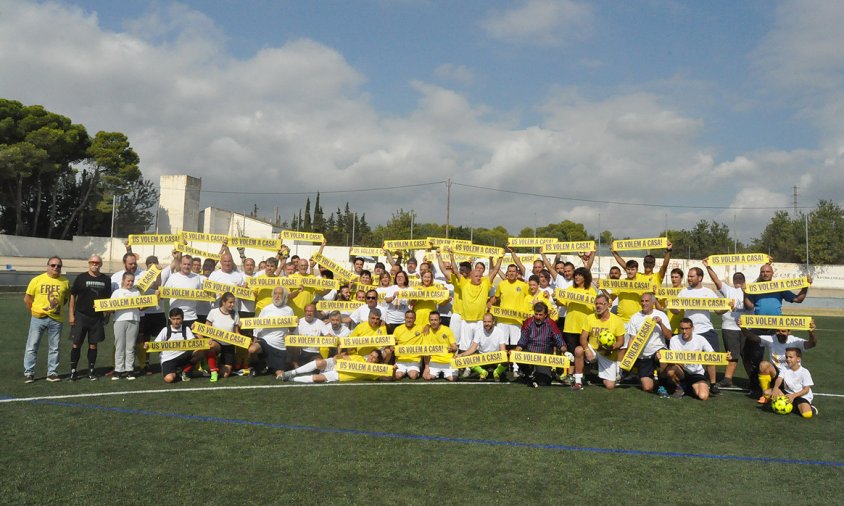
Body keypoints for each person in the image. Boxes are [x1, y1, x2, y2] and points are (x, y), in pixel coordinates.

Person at [743, 263, 812, 395]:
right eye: (763, 271)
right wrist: (745, 293)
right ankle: (755, 386)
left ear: (772, 273)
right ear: (760, 273)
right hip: (758, 326)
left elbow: (798, 299)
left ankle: (782, 384)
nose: (765, 273)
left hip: (776, 328)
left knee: (781, 357)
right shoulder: (755, 287)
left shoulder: (779, 287)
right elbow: (749, 305)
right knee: (754, 358)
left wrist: (805, 286)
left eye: (768, 271)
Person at [673, 266, 730, 392]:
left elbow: (718, 311)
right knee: (685, 359)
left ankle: (713, 384)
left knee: (711, 357)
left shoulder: (708, 292)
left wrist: (728, 307)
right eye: (688, 276)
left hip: (706, 329)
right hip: (689, 332)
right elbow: (676, 311)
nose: (689, 278)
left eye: (691, 276)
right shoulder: (684, 292)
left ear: (700, 278)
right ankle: (686, 381)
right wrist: (670, 305)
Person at [23, 256, 70, 383]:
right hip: (38, 318)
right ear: (47, 266)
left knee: (54, 348)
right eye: (53, 265)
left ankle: (52, 373)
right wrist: (34, 311)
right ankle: (29, 373)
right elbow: (27, 298)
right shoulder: (37, 280)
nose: (55, 268)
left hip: (56, 319)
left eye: (58, 266)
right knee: (32, 346)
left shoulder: (65, 282)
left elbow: (65, 299)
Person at [703, 260, 747, 388]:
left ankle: (755, 380)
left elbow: (762, 280)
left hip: (746, 327)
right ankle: (728, 379)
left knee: (747, 356)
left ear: (744, 280)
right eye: (736, 278)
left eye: (740, 278)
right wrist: (708, 267)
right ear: (733, 281)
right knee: (732, 354)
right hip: (730, 328)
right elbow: (716, 280)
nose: (738, 280)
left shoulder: (751, 289)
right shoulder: (728, 290)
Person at [68, 254, 112, 381]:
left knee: (93, 345)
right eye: (92, 262)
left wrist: (107, 314)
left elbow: (108, 299)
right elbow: (72, 296)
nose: (95, 264)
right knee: (76, 344)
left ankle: (91, 371)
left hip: (96, 317)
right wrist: (71, 314)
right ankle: (73, 371)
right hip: (81, 315)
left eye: (97, 262)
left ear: (101, 264)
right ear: (88, 263)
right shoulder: (81, 278)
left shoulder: (106, 280)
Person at [753, 323, 817, 404]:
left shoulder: (795, 341)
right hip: (777, 375)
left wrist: (812, 332)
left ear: (789, 332)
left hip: (792, 378)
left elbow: (812, 344)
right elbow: (753, 338)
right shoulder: (771, 339)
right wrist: (743, 327)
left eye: (783, 331)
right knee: (763, 365)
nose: (780, 333)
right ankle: (765, 396)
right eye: (778, 331)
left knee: (806, 412)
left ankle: (787, 396)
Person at [572, 294, 624, 391]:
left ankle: (599, 376)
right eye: (596, 304)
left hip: (608, 353)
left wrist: (613, 347)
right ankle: (578, 381)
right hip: (593, 350)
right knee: (578, 350)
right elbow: (583, 337)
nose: (598, 306)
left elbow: (621, 341)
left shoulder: (617, 320)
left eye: (601, 303)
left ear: (608, 304)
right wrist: (587, 349)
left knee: (610, 386)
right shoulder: (590, 318)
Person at [624, 292, 672, 393]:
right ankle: (658, 381)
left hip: (657, 351)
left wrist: (660, 323)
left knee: (662, 356)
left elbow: (669, 336)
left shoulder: (661, 315)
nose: (644, 303)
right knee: (647, 388)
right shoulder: (635, 317)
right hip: (643, 356)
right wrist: (629, 358)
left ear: (653, 302)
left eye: (647, 301)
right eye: (642, 301)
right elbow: (632, 339)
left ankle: (663, 385)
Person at [145, 307, 203, 383]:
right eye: (173, 319)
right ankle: (179, 372)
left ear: (182, 319)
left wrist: (197, 337)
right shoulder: (165, 330)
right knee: (169, 379)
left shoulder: (186, 329)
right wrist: (148, 345)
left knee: (200, 351)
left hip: (183, 355)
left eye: (178, 319)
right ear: (170, 319)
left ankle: (186, 370)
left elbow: (193, 343)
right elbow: (156, 344)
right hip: (168, 358)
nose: (176, 321)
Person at [662, 318, 714, 400]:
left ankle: (688, 388)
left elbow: (713, 355)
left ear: (692, 328)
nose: (684, 331)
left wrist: (726, 357)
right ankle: (679, 386)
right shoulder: (674, 339)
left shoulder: (700, 339)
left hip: (696, 373)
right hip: (682, 371)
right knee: (670, 371)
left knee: (703, 396)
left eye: (687, 328)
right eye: (682, 328)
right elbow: (672, 361)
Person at [249, 286, 294, 379]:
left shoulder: (289, 310)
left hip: (279, 344)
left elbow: (292, 328)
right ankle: (257, 367)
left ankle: (270, 365)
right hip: (265, 339)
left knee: (280, 375)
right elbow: (257, 324)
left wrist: (289, 333)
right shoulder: (266, 309)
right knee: (252, 350)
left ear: (285, 296)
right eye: (275, 294)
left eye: (280, 294)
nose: (277, 296)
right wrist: (255, 338)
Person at [282, 349, 387, 383]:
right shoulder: (359, 358)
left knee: (317, 378)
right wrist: (337, 357)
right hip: (336, 365)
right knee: (319, 362)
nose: (371, 358)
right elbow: (341, 357)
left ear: (377, 361)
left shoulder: (373, 371)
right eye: (371, 355)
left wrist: (392, 370)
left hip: (339, 375)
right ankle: (292, 372)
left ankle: (291, 378)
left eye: (374, 358)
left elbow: (386, 378)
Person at [454, 313, 507, 380]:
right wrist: (461, 355)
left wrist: (505, 355)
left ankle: (496, 372)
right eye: (484, 322)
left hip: (495, 357)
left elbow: (502, 349)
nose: (486, 324)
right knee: (468, 358)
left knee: (507, 359)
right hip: (482, 357)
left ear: (493, 322)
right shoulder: (479, 331)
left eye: (489, 321)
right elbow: (473, 348)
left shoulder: (500, 332)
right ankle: (483, 372)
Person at [109, 271, 141, 380]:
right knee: (119, 345)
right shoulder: (117, 292)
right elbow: (111, 308)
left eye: (132, 281)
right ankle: (118, 370)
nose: (130, 283)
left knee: (131, 346)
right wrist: (101, 307)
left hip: (134, 320)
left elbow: (142, 307)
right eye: (128, 281)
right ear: (123, 280)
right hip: (119, 320)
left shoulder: (137, 292)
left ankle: (129, 370)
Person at [770, 348, 818, 418]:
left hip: (801, 396)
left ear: (798, 359)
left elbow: (806, 390)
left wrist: (793, 396)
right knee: (767, 393)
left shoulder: (804, 372)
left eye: (791, 357)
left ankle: (811, 407)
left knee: (807, 414)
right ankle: (791, 405)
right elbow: (779, 379)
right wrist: (775, 388)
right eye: (786, 357)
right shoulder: (784, 368)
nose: (788, 359)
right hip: (788, 393)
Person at [205, 292, 241, 381]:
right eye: (230, 302)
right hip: (216, 342)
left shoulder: (235, 314)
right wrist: (209, 338)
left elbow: (236, 333)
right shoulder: (213, 312)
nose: (232, 305)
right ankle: (213, 371)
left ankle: (217, 363)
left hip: (229, 345)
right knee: (211, 346)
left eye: (233, 302)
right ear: (223, 302)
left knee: (224, 374)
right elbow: (206, 327)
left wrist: (245, 340)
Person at [162, 253, 203, 328]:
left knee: (191, 339)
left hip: (191, 316)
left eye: (189, 264)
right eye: (184, 264)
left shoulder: (197, 277)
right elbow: (164, 294)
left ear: (191, 265)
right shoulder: (173, 277)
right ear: (180, 264)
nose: (186, 266)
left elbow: (201, 296)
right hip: (174, 317)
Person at [421, 312, 458, 382]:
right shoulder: (426, 332)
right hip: (434, 361)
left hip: (448, 360)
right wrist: (426, 367)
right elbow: (426, 351)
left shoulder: (447, 330)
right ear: (429, 321)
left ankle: (444, 373)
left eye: (435, 320)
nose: (433, 322)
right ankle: (439, 372)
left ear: (440, 320)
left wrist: (452, 349)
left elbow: (455, 347)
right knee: (426, 377)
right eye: (431, 320)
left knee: (453, 379)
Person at [393, 310, 424, 380]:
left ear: (415, 319)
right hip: (401, 360)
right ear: (405, 318)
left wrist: (428, 326)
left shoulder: (421, 328)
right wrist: (393, 347)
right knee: (397, 376)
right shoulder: (398, 329)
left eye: (411, 318)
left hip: (414, 360)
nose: (409, 320)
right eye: (407, 317)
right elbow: (393, 343)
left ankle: (415, 370)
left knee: (413, 376)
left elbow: (430, 327)